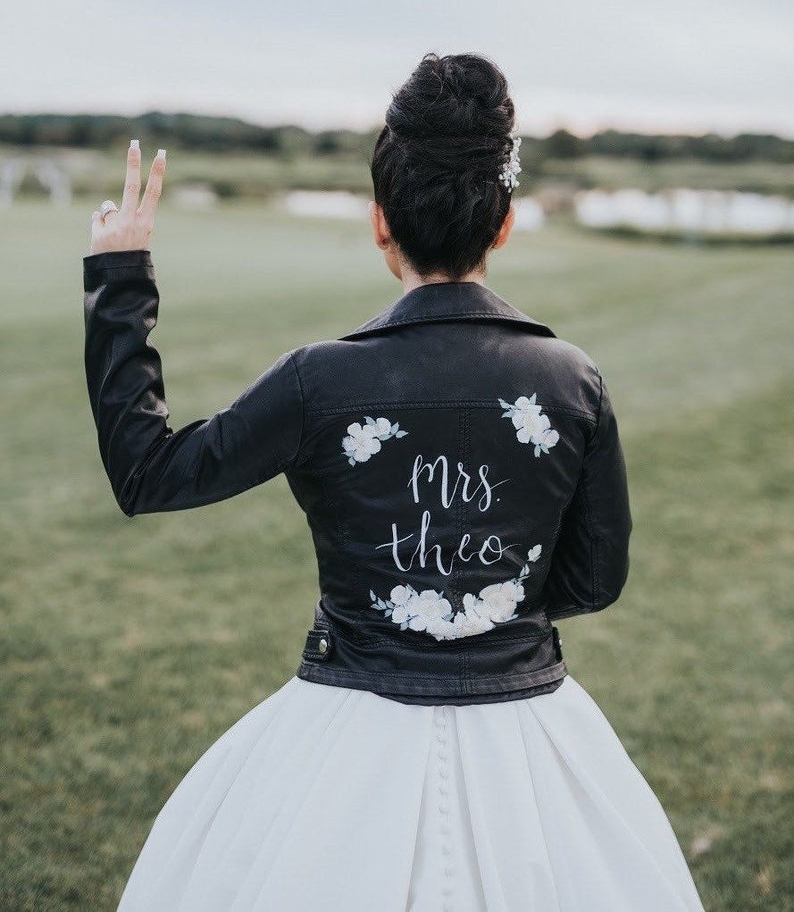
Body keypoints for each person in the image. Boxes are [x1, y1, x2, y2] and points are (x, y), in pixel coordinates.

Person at [83, 53, 705, 911]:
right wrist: (492, 605)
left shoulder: (317, 381)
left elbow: (148, 473)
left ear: (381, 223)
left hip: (342, 724)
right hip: (529, 724)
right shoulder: (573, 381)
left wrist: (121, 281)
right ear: (505, 223)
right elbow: (596, 579)